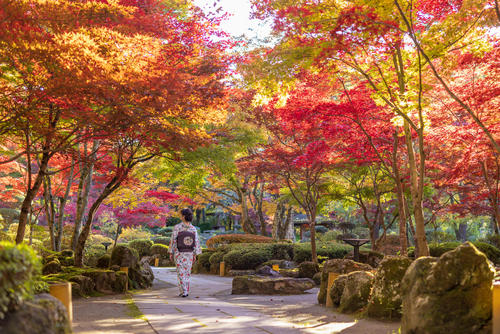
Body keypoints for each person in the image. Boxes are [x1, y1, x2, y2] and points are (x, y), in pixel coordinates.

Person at [169, 208, 201, 297]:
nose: (180, 217)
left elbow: (173, 240)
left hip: (179, 252)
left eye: (181, 215)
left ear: (183, 217)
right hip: (189, 253)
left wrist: (171, 252)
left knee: (181, 272)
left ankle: (184, 291)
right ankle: (184, 290)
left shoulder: (177, 227)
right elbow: (196, 242)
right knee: (187, 273)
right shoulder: (193, 228)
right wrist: (195, 253)